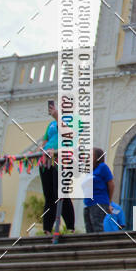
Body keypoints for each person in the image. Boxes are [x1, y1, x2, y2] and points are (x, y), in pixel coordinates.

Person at [37, 100, 75, 238]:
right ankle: (47, 228)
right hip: (46, 160)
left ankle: (70, 227)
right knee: (49, 196)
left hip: (61, 159)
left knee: (60, 193)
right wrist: (41, 150)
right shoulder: (51, 124)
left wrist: (57, 116)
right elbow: (45, 141)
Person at [83, 148, 114, 234]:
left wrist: (109, 202)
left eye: (90, 155)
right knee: (89, 229)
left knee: (97, 227)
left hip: (99, 201)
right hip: (88, 203)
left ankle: (100, 246)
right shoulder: (89, 171)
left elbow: (111, 184)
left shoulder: (102, 167)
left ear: (97, 157)